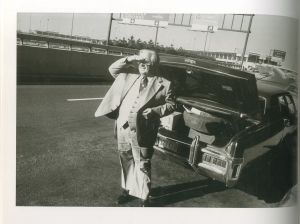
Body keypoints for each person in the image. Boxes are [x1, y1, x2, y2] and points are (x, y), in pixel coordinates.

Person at [95, 49, 175, 207]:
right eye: (141, 61)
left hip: (143, 130)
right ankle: (126, 190)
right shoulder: (128, 76)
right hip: (123, 127)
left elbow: (172, 105)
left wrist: (155, 111)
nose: (142, 65)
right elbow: (112, 69)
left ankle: (144, 196)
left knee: (142, 163)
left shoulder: (164, 84)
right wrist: (131, 58)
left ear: (154, 65)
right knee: (125, 158)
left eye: (146, 62)